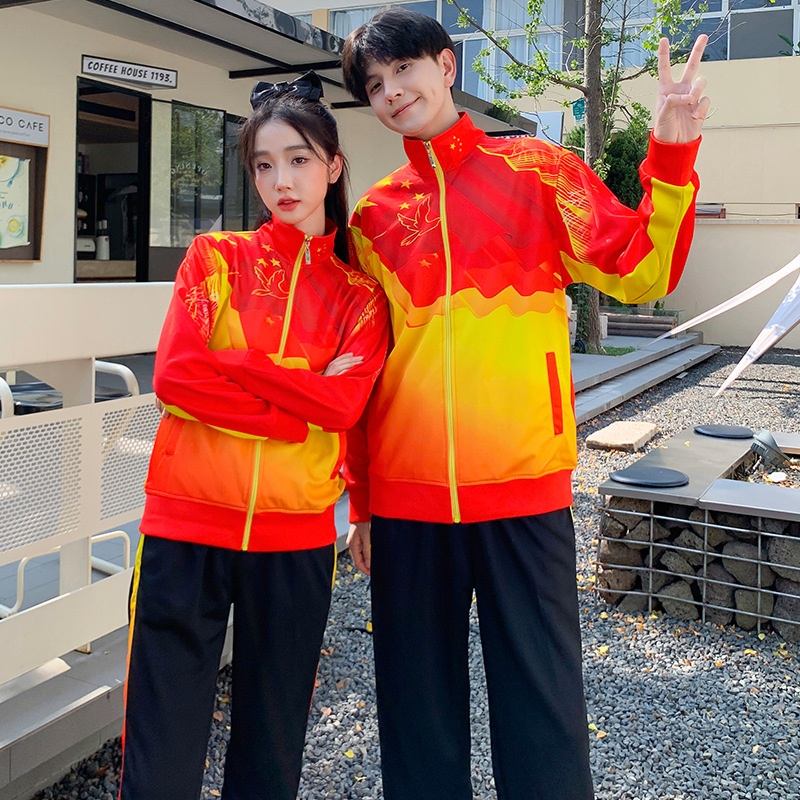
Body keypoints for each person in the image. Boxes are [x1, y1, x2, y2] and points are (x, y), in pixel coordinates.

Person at [340, 9, 710, 800]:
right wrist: (362, 500)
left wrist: (672, 150)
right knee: (415, 712)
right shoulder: (373, 217)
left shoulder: (539, 171)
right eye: (374, 85)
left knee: (542, 711)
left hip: (523, 496)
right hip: (408, 507)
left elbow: (641, 269)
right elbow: (365, 376)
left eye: (403, 69)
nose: (391, 91)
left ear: (446, 65)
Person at [118, 71, 389, 800]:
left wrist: (237, 363)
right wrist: (297, 406)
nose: (282, 181)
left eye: (299, 160)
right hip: (184, 526)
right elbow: (177, 377)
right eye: (264, 165)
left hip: (294, 539)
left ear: (333, 166)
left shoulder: (361, 297)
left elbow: (345, 406)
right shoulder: (216, 258)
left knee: (272, 744)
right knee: (160, 741)